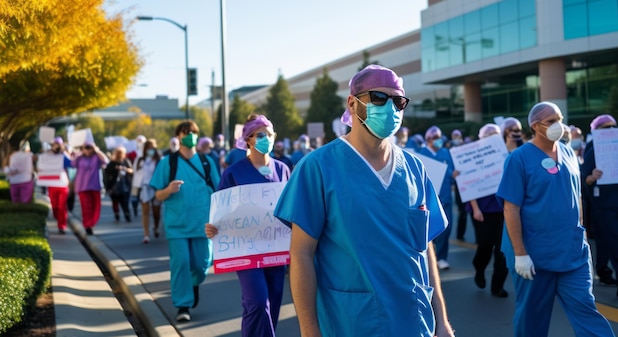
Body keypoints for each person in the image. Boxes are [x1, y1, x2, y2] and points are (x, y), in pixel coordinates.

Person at [274, 65, 455, 337]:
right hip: (351, 321)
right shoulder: (318, 167)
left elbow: (425, 247)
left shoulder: (415, 168)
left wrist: (441, 320)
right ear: (353, 103)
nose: (390, 108)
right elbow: (301, 254)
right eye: (379, 98)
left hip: (414, 321)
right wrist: (309, 331)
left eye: (398, 101)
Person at [497, 102, 614, 337]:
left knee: (586, 311)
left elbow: (576, 194)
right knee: (532, 320)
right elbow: (511, 209)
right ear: (535, 126)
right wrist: (520, 253)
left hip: (571, 252)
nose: (557, 126)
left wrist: (581, 233)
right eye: (550, 122)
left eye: (559, 119)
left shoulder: (569, 152)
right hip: (534, 255)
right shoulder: (518, 159)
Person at [205, 114, 291, 337]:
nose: (266, 139)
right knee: (257, 302)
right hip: (246, 250)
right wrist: (212, 228)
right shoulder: (233, 173)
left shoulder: (283, 170)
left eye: (269, 134)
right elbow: (219, 212)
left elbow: (292, 208)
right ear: (249, 140)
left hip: (275, 249)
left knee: (272, 303)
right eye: (260, 135)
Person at [150, 120, 221, 322]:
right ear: (178, 136)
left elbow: (219, 192)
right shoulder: (168, 163)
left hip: (203, 224)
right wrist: (168, 189)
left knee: (202, 264)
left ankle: (194, 284)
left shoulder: (207, 163)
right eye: (185, 132)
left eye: (193, 132)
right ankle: (183, 305)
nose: (189, 134)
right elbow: (158, 195)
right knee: (181, 263)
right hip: (177, 225)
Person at [465, 124, 508, 297]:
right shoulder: (472, 156)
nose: (492, 137)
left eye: (495, 134)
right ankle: (479, 268)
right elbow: (467, 184)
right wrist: (475, 208)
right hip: (481, 210)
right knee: (485, 245)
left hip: (503, 209)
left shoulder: (505, 155)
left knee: (502, 249)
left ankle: (497, 285)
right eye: (489, 134)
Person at [580, 114, 618, 288]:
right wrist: (592, 177)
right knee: (613, 242)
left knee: (607, 242)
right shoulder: (592, 147)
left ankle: (603, 270)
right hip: (603, 204)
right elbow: (584, 178)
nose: (610, 131)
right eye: (606, 128)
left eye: (613, 127)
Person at [419, 125, 459, 270]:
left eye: (439, 138)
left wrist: (453, 175)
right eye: (435, 138)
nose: (438, 141)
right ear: (428, 139)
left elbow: (452, 171)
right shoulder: (421, 153)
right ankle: (428, 257)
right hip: (428, 197)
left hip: (445, 195)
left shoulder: (445, 152)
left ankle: (442, 257)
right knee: (428, 228)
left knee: (445, 228)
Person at [71, 141, 109, 235]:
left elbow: (106, 161)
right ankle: (87, 225)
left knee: (96, 207)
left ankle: (92, 223)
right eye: (86, 147)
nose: (88, 150)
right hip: (83, 186)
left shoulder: (96, 157)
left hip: (95, 185)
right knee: (86, 207)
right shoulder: (79, 158)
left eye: (89, 147)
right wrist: (80, 152)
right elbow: (73, 163)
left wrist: (97, 150)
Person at [37, 137, 72, 233]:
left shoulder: (63, 156)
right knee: (55, 206)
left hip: (63, 184)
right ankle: (59, 219)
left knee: (61, 206)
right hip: (52, 184)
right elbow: (40, 166)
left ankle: (62, 226)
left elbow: (72, 164)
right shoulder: (47, 155)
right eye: (54, 145)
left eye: (58, 145)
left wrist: (65, 154)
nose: (56, 146)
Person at [138, 139, 162, 244]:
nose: (150, 150)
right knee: (145, 211)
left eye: (152, 147)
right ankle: (146, 234)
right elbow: (136, 174)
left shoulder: (159, 160)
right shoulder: (140, 160)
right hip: (144, 188)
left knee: (156, 211)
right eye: (148, 147)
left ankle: (156, 226)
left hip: (156, 188)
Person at [104, 146, 133, 222]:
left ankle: (127, 215)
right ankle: (116, 214)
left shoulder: (125, 161)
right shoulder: (112, 163)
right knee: (115, 201)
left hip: (124, 185)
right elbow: (107, 173)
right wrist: (115, 169)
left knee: (124, 202)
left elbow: (131, 170)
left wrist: (124, 169)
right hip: (113, 185)